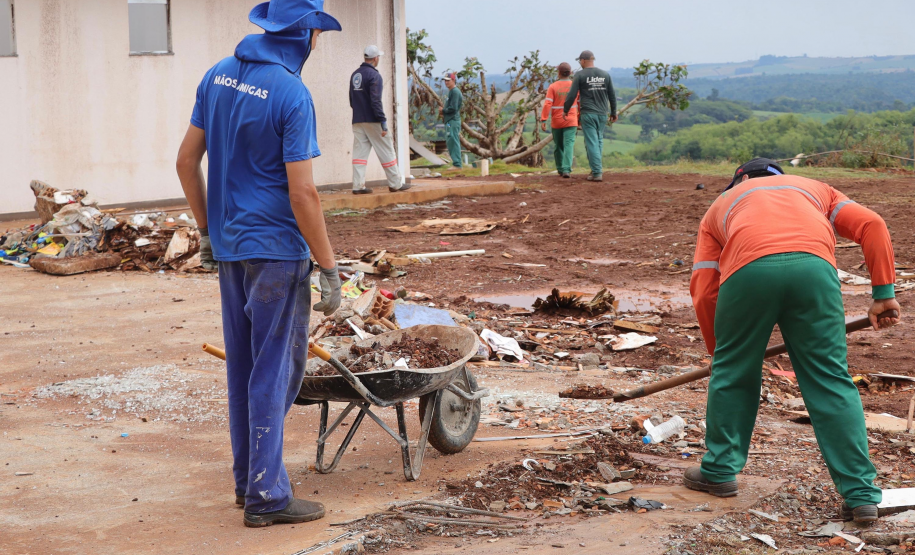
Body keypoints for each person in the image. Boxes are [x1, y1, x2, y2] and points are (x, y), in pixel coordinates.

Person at [175, 0, 345, 528]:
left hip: (230, 248)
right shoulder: (292, 93)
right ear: (303, 36)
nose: (317, 41)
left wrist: (205, 232)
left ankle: (247, 480)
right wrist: (329, 266)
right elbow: (304, 195)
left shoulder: (218, 76)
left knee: (245, 367)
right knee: (274, 371)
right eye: (316, 31)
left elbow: (185, 161)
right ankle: (268, 497)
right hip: (276, 252)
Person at [686, 157, 901, 523]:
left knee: (734, 372)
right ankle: (861, 495)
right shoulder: (814, 189)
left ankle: (720, 471)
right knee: (829, 379)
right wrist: (883, 293)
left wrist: (721, 354)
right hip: (814, 272)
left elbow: (706, 290)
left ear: (737, 181)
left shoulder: (721, 205)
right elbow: (873, 224)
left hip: (748, 274)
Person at [349, 45, 408, 195]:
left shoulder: (355, 74)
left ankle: (358, 186)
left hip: (357, 120)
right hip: (373, 120)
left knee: (359, 155)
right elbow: (376, 100)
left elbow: (351, 99)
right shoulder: (374, 76)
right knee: (386, 150)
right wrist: (382, 120)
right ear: (375, 58)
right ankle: (395, 184)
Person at [563, 50, 616, 182]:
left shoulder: (580, 75)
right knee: (598, 140)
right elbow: (612, 95)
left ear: (583, 60)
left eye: (579, 61)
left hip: (588, 114)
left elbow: (572, 95)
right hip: (602, 114)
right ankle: (594, 169)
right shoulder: (605, 74)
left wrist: (566, 110)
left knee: (591, 141)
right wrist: (614, 112)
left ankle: (597, 172)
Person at [541, 62, 579, 178]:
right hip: (571, 120)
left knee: (558, 145)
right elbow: (579, 102)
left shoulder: (553, 86)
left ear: (558, 73)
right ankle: (567, 169)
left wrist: (543, 119)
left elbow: (548, 104)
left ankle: (560, 169)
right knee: (569, 145)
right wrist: (580, 118)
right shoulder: (574, 86)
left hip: (557, 121)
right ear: (570, 73)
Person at [440, 73, 463, 169]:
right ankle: (456, 163)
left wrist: (443, 110)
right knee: (450, 141)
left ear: (453, 80)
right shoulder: (451, 92)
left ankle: (457, 164)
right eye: (445, 80)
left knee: (453, 140)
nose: (446, 82)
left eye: (448, 80)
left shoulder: (455, 92)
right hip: (449, 120)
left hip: (453, 120)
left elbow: (453, 108)